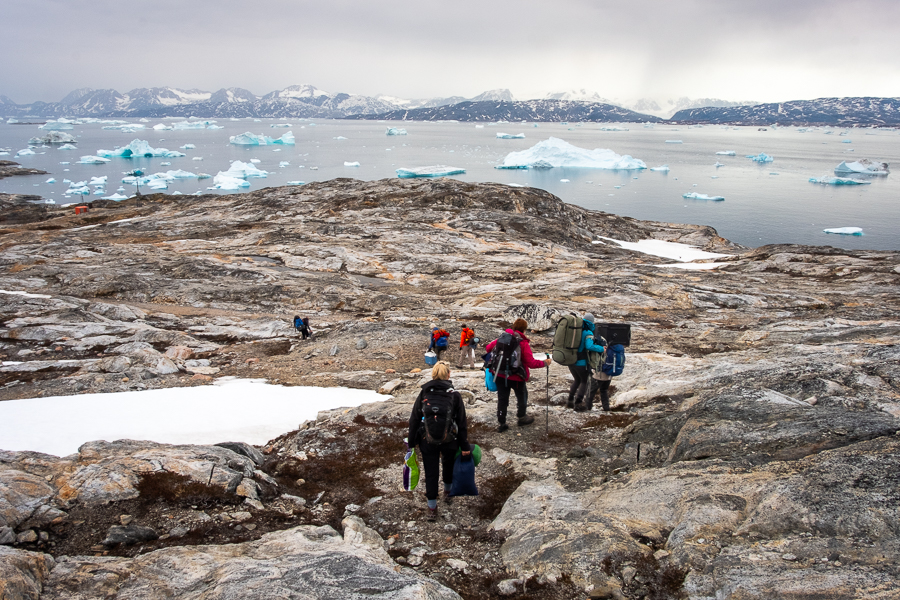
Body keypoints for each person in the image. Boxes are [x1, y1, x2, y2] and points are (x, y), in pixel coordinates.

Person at [408, 362, 471, 521]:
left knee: (431, 471)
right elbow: (462, 422)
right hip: (450, 439)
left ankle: (431, 507)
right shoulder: (454, 395)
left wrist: (411, 442)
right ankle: (448, 492)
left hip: (427, 440)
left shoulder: (424, 392)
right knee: (448, 464)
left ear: (433, 374)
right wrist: (464, 446)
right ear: (448, 375)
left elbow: (415, 418)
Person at [485, 318, 551, 432]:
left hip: (500, 374)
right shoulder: (523, 342)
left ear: (514, 326)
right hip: (516, 377)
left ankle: (502, 422)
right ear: (524, 330)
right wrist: (545, 363)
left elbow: (488, 348)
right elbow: (531, 362)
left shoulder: (502, 337)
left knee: (502, 399)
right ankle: (522, 417)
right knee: (522, 396)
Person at [567, 312, 605, 412]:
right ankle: (578, 403)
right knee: (584, 381)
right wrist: (601, 349)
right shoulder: (588, 332)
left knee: (577, 380)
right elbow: (589, 346)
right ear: (592, 322)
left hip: (571, 361)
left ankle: (570, 400)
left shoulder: (577, 329)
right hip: (581, 362)